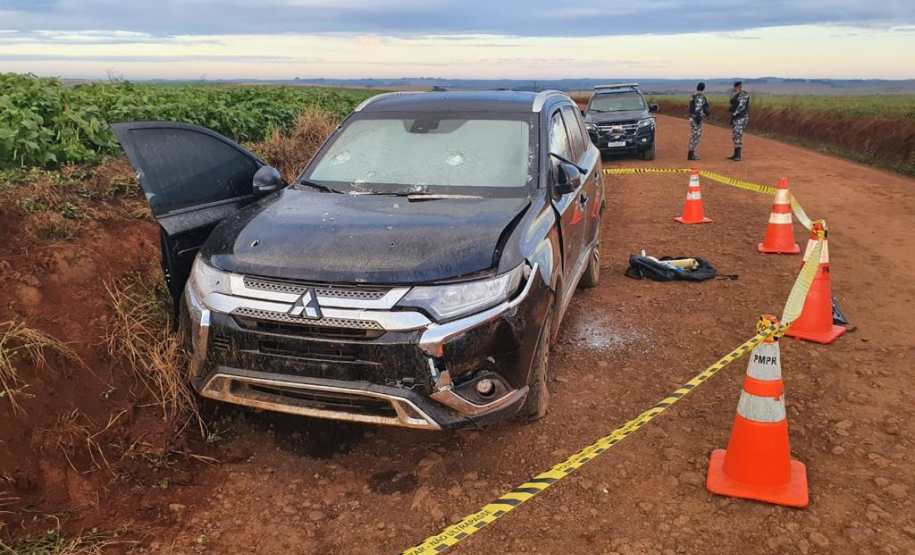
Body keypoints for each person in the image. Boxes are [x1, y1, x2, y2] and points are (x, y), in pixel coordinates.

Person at [727, 81, 750, 161]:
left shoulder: (744, 94)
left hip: (741, 117)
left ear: (739, 87)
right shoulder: (736, 95)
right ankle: (735, 153)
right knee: (735, 136)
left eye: (735, 87)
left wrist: (734, 115)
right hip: (736, 117)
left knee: (738, 135)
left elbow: (741, 107)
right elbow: (733, 105)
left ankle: (738, 155)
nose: (734, 88)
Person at [688, 82, 710, 161]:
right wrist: (698, 118)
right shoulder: (700, 96)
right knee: (696, 135)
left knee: (694, 135)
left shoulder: (693, 95)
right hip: (696, 118)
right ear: (703, 88)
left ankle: (691, 153)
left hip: (693, 118)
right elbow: (698, 108)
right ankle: (691, 154)